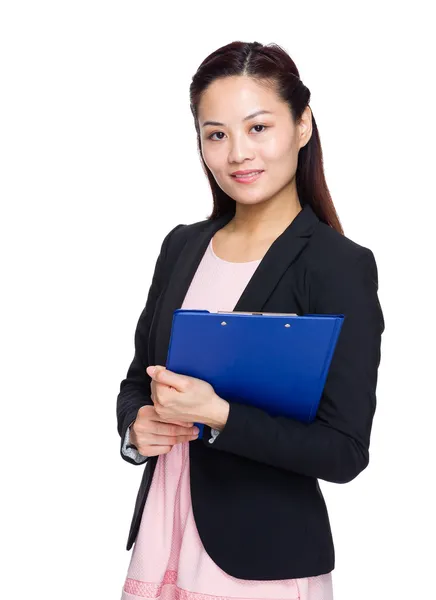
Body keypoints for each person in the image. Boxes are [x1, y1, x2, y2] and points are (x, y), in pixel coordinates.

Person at [117, 40, 385, 600]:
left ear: (303, 125)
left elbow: (344, 451)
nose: (237, 153)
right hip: (164, 536)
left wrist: (218, 415)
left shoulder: (337, 266)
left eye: (258, 127)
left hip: (261, 564)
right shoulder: (183, 246)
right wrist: (136, 431)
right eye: (216, 134)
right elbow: (139, 378)